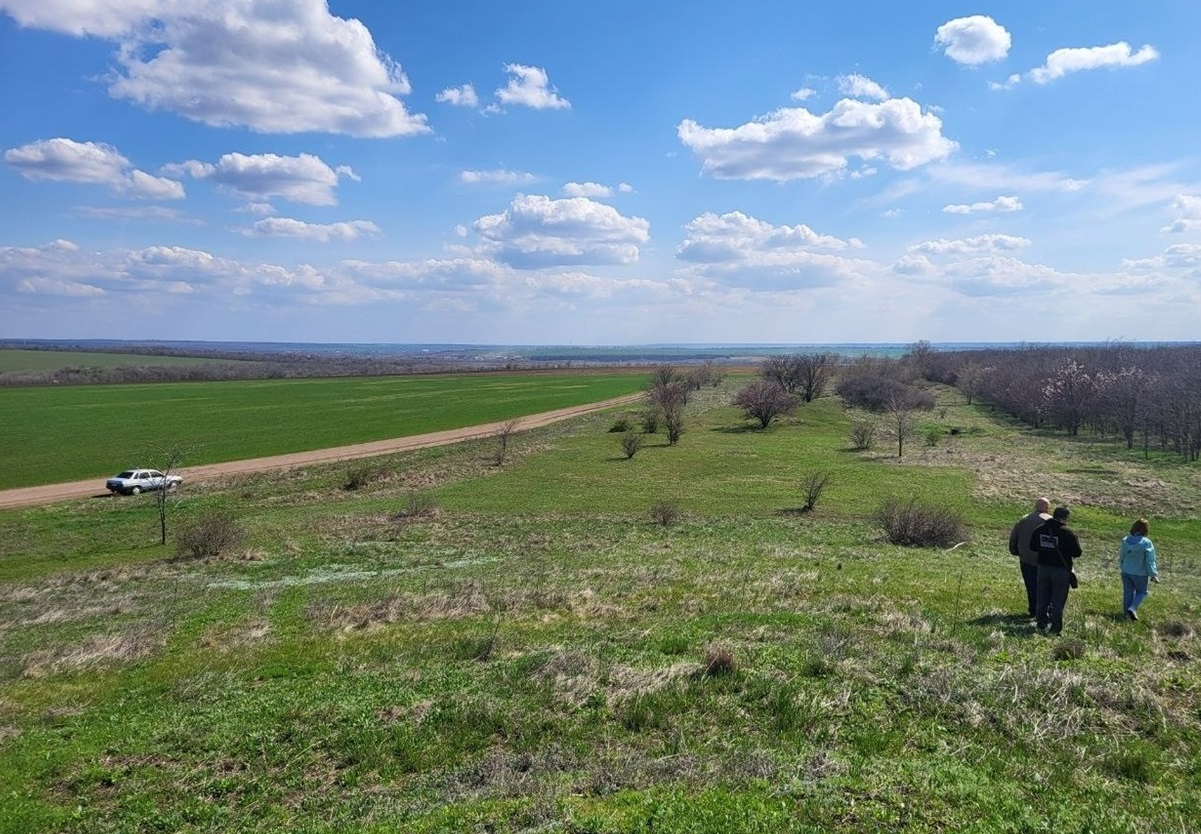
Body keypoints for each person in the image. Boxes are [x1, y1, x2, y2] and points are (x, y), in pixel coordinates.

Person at [1029, 506, 1082, 635]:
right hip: (1061, 571)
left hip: (1043, 568)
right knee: (1058, 599)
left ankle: (1041, 624)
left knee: (1042, 597)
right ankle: (1055, 628)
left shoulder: (1040, 529)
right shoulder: (1067, 532)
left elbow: (1032, 547)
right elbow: (1077, 552)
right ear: (1066, 518)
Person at [1009, 497, 1051, 617]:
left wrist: (1015, 551)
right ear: (1047, 508)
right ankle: (1044, 611)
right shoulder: (1050, 520)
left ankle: (1033, 610)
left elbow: (1014, 536)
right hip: (1045, 561)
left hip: (1026, 559)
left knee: (1031, 586)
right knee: (1045, 587)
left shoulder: (1024, 519)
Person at [1119, 518, 1160, 621]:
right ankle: (1132, 608)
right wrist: (1153, 574)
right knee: (1142, 592)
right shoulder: (1146, 543)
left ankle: (1126, 615)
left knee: (1128, 593)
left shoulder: (1125, 540)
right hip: (1140, 573)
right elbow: (1150, 560)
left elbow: (1122, 556)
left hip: (1126, 571)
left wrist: (1122, 566)